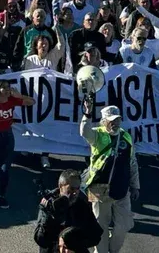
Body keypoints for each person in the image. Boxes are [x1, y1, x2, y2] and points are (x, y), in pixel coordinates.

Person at [80, 103, 139, 253]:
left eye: (117, 120)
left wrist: (135, 185)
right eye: (111, 120)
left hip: (122, 189)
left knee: (123, 225)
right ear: (104, 121)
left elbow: (132, 162)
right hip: (98, 188)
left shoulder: (126, 137)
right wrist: (87, 114)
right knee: (100, 226)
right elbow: (84, 132)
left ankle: (112, 250)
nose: (115, 123)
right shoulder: (97, 135)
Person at [0, 80, 36, 209]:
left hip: (7, 137)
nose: (8, 90)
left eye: (9, 87)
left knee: (5, 168)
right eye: (4, 88)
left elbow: (32, 102)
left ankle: (2, 196)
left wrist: (20, 96)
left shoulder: (12, 100)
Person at [34, 170, 103, 253]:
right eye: (71, 189)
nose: (75, 193)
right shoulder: (49, 204)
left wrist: (75, 243)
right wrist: (48, 217)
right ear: (60, 186)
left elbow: (96, 236)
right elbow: (41, 240)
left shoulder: (82, 205)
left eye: (77, 189)